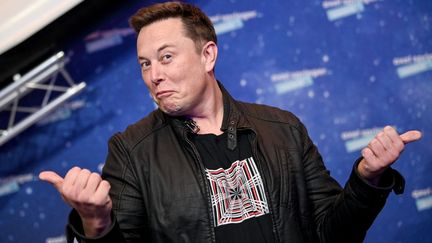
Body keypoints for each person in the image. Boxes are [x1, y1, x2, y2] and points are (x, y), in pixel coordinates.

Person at [39, 2, 422, 243]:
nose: (153, 74)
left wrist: (366, 179)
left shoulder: (283, 128)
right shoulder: (132, 150)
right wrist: (96, 223)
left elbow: (332, 233)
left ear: (207, 56)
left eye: (166, 57)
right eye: (145, 63)